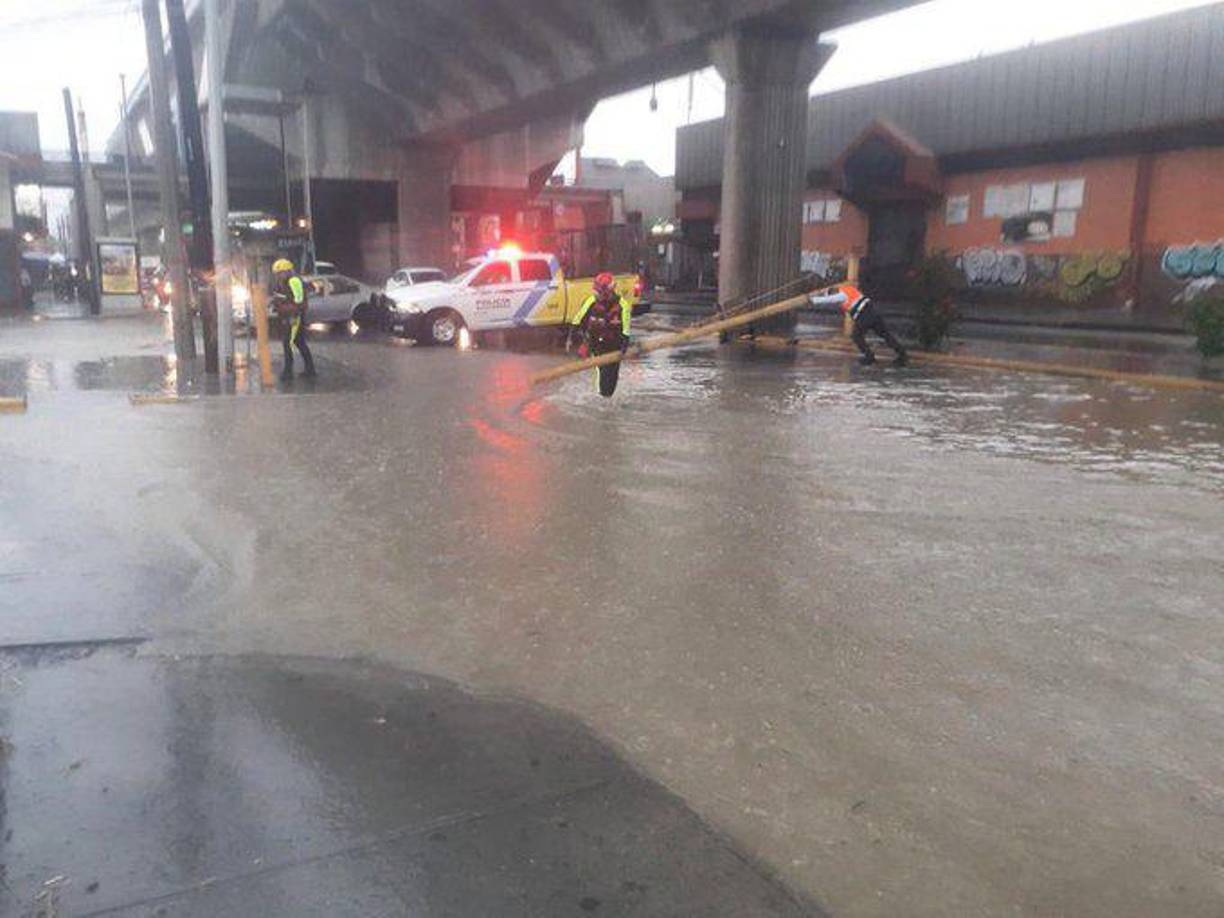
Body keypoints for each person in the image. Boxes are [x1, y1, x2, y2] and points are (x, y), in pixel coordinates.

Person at [809, 281, 908, 366]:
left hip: (864, 315)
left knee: (856, 336)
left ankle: (869, 357)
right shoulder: (849, 289)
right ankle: (902, 355)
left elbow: (829, 300)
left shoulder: (842, 294)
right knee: (885, 335)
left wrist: (812, 299)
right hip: (873, 312)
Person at [566, 272, 632, 398]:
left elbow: (626, 329)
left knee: (611, 379)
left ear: (607, 291)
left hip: (614, 346)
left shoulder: (622, 305)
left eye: (598, 291)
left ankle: (607, 398)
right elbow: (577, 320)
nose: (595, 293)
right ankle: (601, 397)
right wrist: (571, 339)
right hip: (596, 344)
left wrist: (624, 346)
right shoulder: (591, 301)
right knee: (602, 374)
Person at [271, 258, 316, 381]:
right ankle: (310, 369)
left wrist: (283, 306)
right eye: (277, 274)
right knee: (299, 342)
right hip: (290, 316)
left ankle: (288, 372)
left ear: (287, 271)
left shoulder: (294, 281)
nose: (278, 276)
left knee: (288, 343)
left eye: (280, 273)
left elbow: (299, 301)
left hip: (294, 317)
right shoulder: (284, 282)